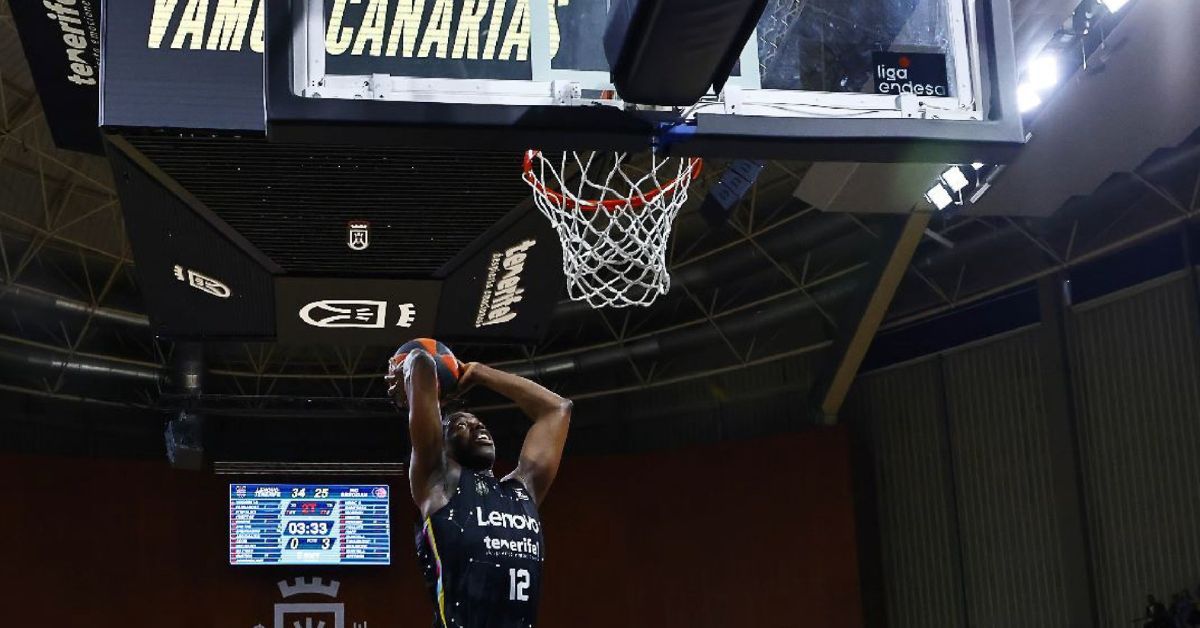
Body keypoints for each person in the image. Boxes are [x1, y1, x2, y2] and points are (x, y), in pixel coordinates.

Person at [386, 348, 572, 628]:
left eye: (480, 424)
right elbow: (422, 360)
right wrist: (410, 364)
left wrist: (480, 373)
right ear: (442, 444)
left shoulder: (524, 490)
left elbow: (557, 409)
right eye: (462, 424)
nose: (477, 427)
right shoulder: (437, 482)